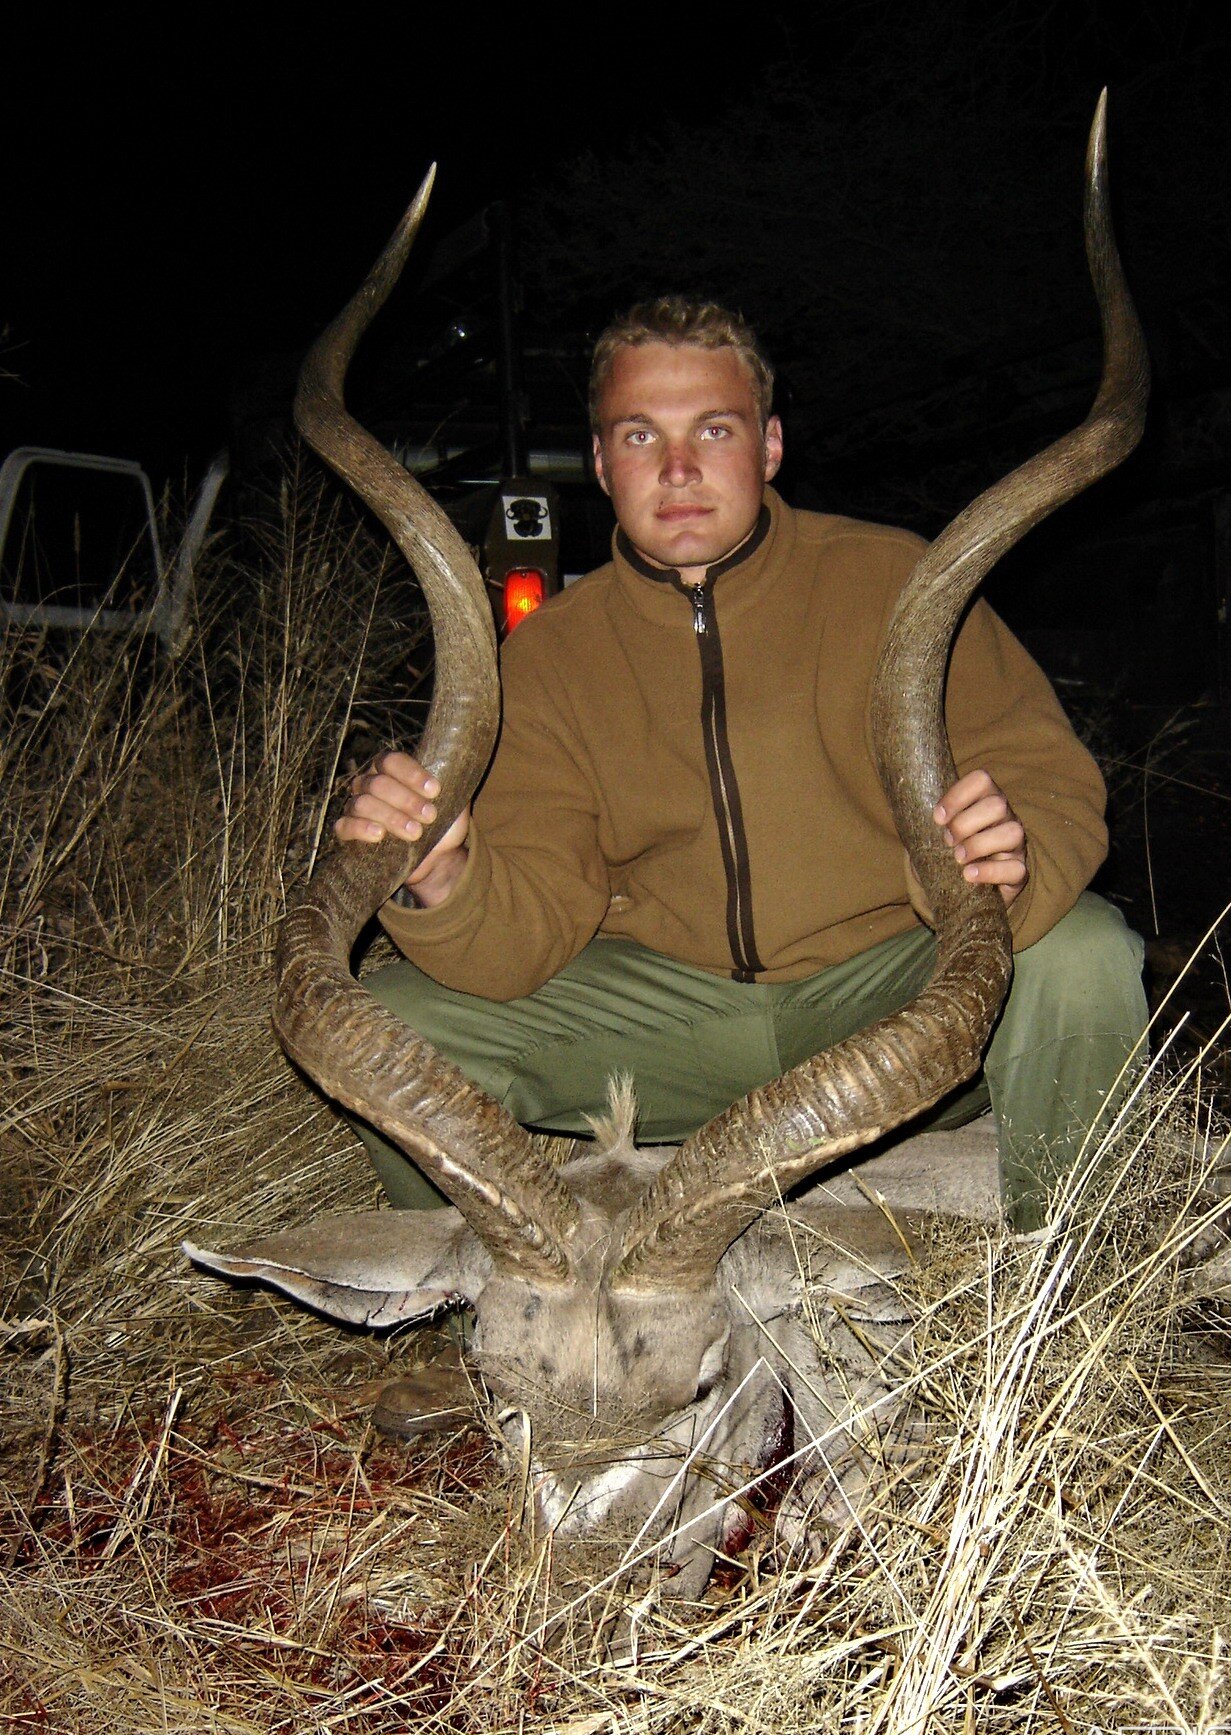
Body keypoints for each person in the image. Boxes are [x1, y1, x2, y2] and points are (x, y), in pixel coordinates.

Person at [337, 298, 1148, 1431]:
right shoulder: (551, 656)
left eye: (712, 431)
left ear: (768, 445)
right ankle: (493, 1332)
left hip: (888, 989)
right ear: (600, 461)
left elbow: (1052, 787)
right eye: (637, 436)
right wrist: (444, 874)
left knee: (1082, 955)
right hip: (679, 1023)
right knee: (391, 1019)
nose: (676, 467)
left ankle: (1072, 1317)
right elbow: (528, 932)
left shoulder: (898, 583)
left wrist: (1003, 858)